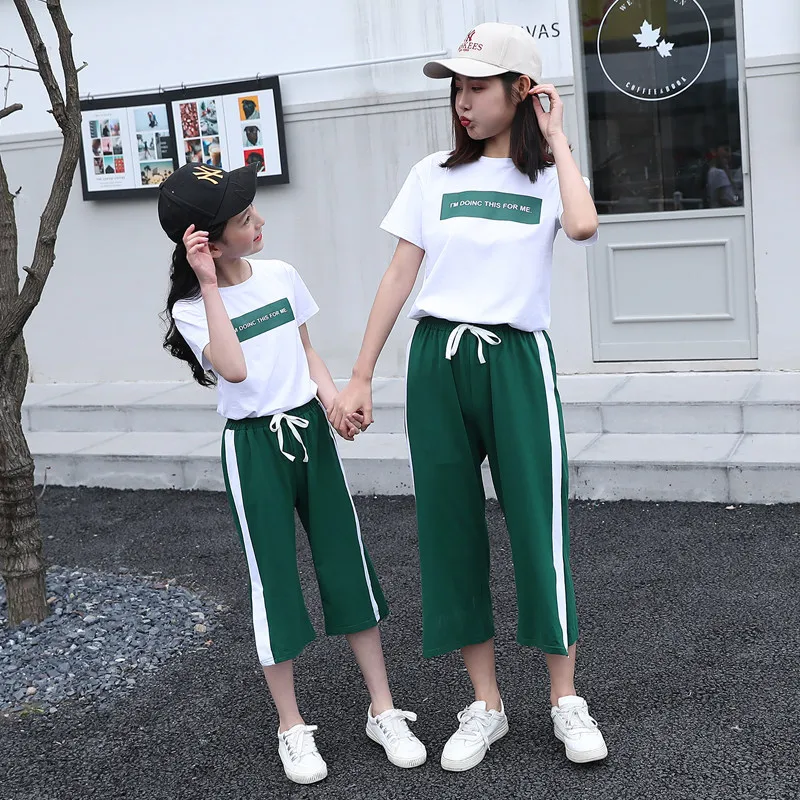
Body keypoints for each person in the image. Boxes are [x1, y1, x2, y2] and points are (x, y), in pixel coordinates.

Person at [330, 22, 608, 771]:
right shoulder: (432, 176)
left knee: (537, 527)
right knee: (449, 532)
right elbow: (398, 276)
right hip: (438, 362)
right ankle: (485, 704)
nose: (462, 100)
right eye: (456, 86)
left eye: (478, 86)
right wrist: (360, 374)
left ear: (521, 91)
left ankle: (563, 699)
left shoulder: (546, 174)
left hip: (515, 360)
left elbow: (582, 225)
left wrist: (557, 138)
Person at [157, 163, 426, 785]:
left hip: (307, 429)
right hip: (252, 447)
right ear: (208, 241)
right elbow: (234, 369)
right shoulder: (192, 308)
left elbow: (305, 351)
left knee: (346, 562)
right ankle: (291, 727)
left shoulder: (280, 276)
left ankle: (383, 709)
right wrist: (207, 282)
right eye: (247, 219)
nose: (261, 223)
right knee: (273, 580)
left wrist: (334, 404)